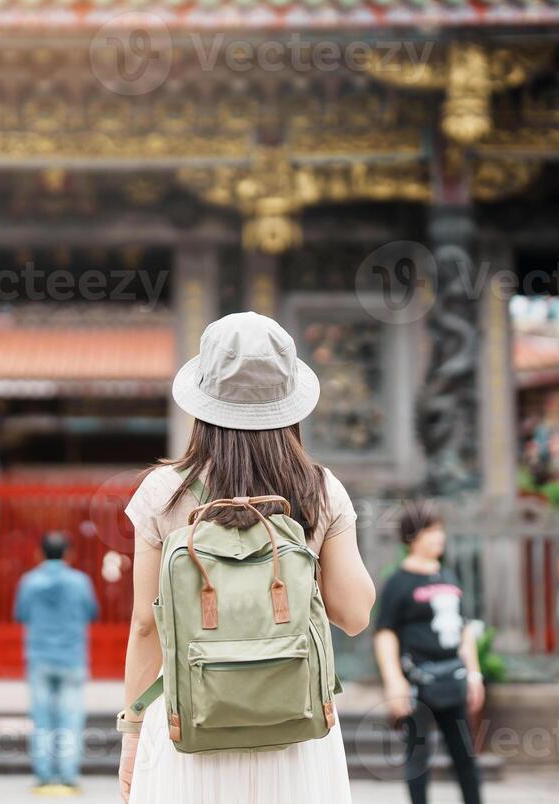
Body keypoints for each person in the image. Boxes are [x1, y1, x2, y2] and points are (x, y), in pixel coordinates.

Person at [118, 311, 376, 804]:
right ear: (290, 402)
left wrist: (132, 732)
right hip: (296, 732)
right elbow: (356, 614)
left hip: (188, 726)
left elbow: (146, 625)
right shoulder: (319, 490)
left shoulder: (164, 492)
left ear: (202, 402)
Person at [374, 502, 484, 804]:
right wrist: (393, 681)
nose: (439, 537)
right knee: (417, 760)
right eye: (431, 530)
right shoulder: (398, 582)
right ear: (412, 536)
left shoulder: (448, 576)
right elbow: (385, 634)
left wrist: (474, 674)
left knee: (465, 756)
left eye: (440, 529)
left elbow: (463, 629)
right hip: (417, 684)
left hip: (453, 679)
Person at [14, 530, 99, 796]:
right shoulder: (80, 582)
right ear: (68, 554)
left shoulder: (29, 582)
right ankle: (68, 776)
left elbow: (20, 614)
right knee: (70, 719)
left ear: (39, 553)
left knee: (41, 719)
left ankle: (43, 777)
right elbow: (92, 612)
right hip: (71, 657)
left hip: (39, 657)